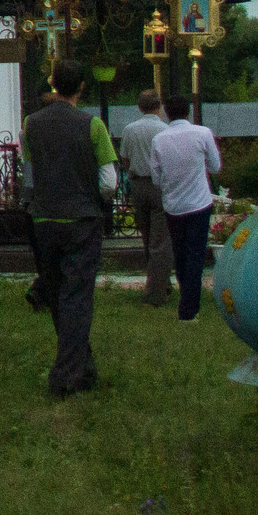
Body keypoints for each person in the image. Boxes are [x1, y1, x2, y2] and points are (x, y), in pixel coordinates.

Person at [25, 60, 119, 396]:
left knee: (56, 293)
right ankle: (65, 376)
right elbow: (109, 182)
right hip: (81, 219)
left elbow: (29, 175)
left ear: (53, 84)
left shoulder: (30, 124)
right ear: (81, 87)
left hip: (44, 219)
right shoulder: (92, 126)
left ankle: (84, 368)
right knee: (76, 298)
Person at [150, 94, 223, 320]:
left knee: (180, 255)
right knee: (195, 255)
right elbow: (215, 165)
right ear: (188, 112)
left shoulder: (159, 140)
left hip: (173, 205)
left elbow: (156, 178)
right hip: (199, 203)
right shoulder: (202, 133)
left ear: (166, 112)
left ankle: (187, 301)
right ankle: (189, 307)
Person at [120, 89, 172, 307]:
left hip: (138, 184)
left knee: (147, 235)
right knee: (160, 240)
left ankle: (158, 281)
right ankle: (156, 289)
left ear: (140, 107)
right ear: (158, 106)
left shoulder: (130, 129)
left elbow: (124, 159)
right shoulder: (165, 130)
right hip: (159, 185)